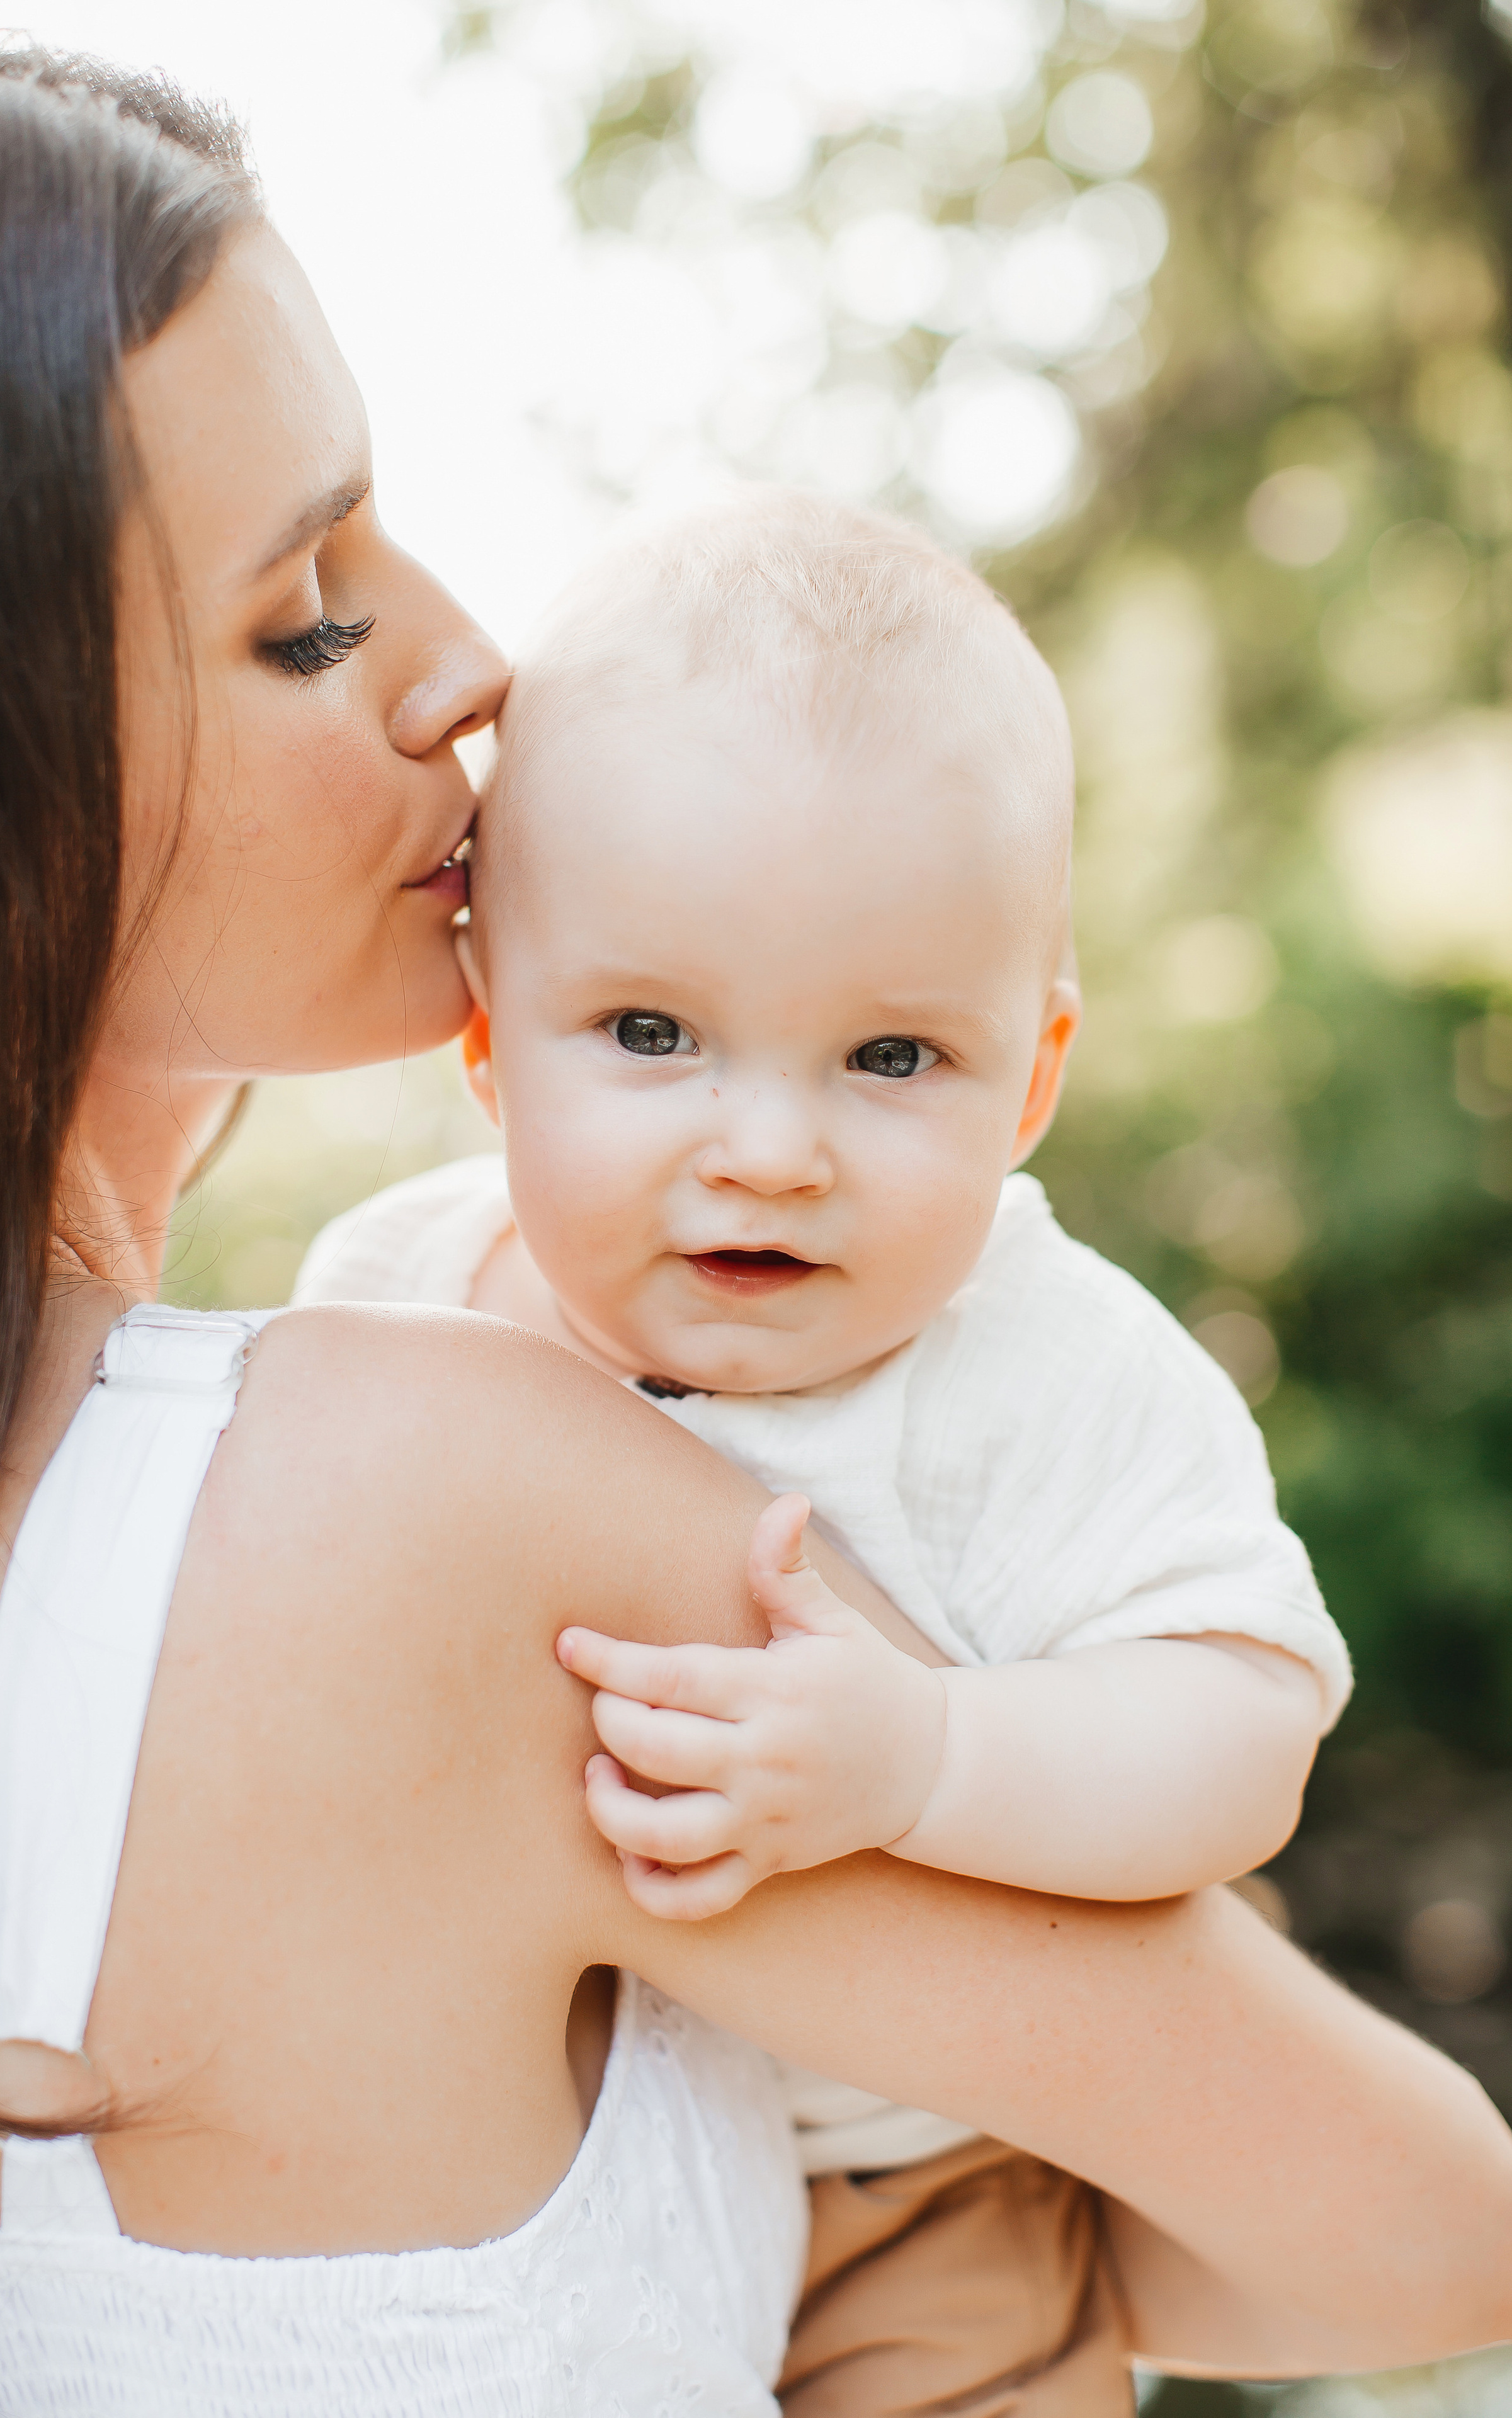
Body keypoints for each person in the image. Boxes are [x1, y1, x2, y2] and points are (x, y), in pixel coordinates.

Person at [0, 34, 1509, 2418]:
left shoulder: (20, 1534)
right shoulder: (448, 1490)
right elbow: (1431, 2234)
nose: (465, 664)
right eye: (308, 617)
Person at [292, 490, 1348, 2414]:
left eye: (889, 1060)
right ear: (488, 1050)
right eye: (649, 1030)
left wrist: (928, 1757)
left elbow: (1243, 1721)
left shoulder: (1045, 1368)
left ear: (1029, 1080)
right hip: (521, 2139)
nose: (770, 1147)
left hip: (913, 2174)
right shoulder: (389, 1304)